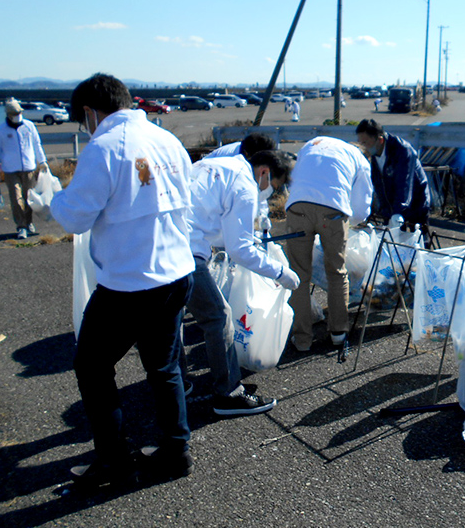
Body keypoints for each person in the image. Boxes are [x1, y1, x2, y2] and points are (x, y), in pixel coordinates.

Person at [50, 73, 196, 486]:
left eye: (84, 120)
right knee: (163, 366)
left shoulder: (104, 146)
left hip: (132, 281)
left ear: (91, 112)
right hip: (177, 270)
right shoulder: (165, 139)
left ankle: (114, 461)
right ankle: (175, 449)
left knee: (92, 367)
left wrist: (53, 199)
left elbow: (75, 215)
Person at [181, 149, 299, 416]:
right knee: (218, 317)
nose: (270, 193)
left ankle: (178, 382)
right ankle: (228, 394)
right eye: (275, 186)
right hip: (185, 253)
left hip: (161, 243)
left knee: (175, 315)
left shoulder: (215, 164)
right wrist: (280, 272)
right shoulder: (244, 182)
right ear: (265, 172)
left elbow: (215, 223)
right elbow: (240, 251)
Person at [285, 137, 373, 360]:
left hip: (297, 207)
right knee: (336, 271)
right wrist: (354, 221)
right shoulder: (359, 159)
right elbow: (362, 205)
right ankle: (338, 334)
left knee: (298, 275)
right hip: (332, 211)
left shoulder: (312, 143)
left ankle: (302, 339)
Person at [355, 118, 431, 231]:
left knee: (417, 241)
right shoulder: (373, 154)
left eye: (365, 142)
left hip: (416, 204)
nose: (363, 146)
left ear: (380, 140)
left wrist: (398, 211)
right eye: (360, 142)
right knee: (391, 243)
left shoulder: (402, 151)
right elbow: (377, 184)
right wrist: (384, 210)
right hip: (390, 208)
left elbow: (404, 183)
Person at [0, 100, 47, 239]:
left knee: (29, 197)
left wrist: (43, 161)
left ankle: (29, 223)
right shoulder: (1, 130)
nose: (18, 115)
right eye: (15, 113)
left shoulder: (29, 126)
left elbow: (36, 144)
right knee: (16, 198)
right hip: (10, 169)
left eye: (19, 112)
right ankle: (21, 226)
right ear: (8, 115)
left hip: (29, 168)